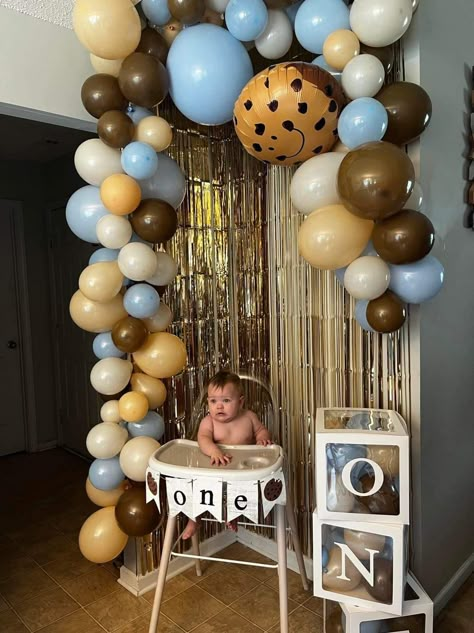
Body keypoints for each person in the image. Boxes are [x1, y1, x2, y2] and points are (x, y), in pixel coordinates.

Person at [182, 370, 272, 539]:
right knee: (197, 487)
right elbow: (203, 439)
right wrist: (214, 451)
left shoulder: (249, 418)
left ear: (240, 402)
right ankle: (194, 519)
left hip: (241, 470)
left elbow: (261, 430)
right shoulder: (208, 422)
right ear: (207, 402)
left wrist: (262, 439)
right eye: (213, 401)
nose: (219, 406)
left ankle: (233, 515)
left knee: (241, 491)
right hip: (215, 469)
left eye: (226, 400)